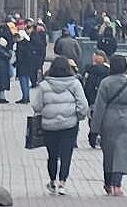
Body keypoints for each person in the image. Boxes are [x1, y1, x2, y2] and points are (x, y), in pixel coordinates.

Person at [30, 56, 88, 195]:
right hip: (69, 124)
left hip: (49, 125)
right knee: (67, 154)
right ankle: (63, 182)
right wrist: (78, 117)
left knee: (52, 154)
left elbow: (37, 106)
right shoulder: (74, 84)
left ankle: (52, 181)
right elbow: (83, 105)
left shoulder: (44, 85)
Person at [91, 54, 127, 195]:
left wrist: (95, 128)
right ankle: (117, 185)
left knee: (109, 152)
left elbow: (99, 106)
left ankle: (107, 183)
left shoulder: (105, 83)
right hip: (125, 119)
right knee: (122, 153)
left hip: (108, 118)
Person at [82, 50, 110, 148]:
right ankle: (102, 137)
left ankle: (93, 137)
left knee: (93, 117)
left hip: (93, 98)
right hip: (105, 99)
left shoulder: (90, 71)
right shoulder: (108, 71)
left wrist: (87, 98)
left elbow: (88, 86)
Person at [14, 31, 37, 104]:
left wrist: (15, 64)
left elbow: (19, 57)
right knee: (26, 82)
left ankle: (25, 98)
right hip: (28, 66)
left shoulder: (20, 45)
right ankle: (27, 97)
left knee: (23, 83)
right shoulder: (27, 44)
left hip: (22, 66)